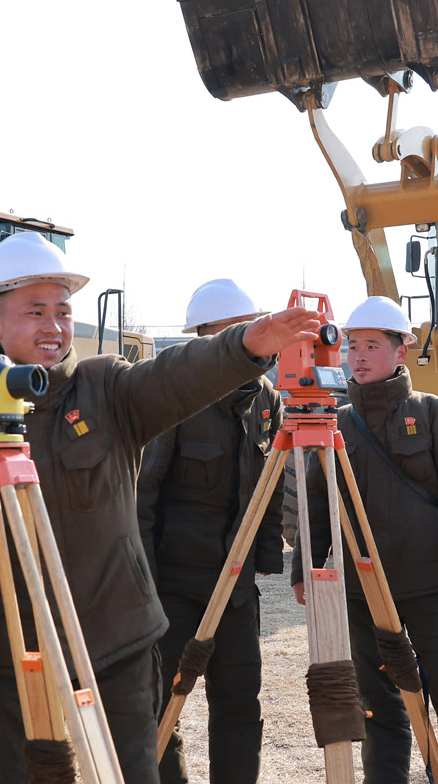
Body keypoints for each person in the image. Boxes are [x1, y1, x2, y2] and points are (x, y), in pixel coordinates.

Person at [0, 233, 319, 783]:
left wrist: (245, 345)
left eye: (62, 311)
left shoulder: (105, 389)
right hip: (14, 646)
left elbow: (179, 374)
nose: (54, 326)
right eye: (35, 311)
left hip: (118, 641)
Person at [292, 295, 438, 784]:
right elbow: (320, 505)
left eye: (371, 345)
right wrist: (305, 566)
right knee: (378, 706)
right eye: (352, 345)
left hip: (432, 587)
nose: (358, 356)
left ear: (400, 352)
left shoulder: (434, 414)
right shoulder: (337, 424)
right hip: (360, 593)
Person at [136, 279, 284, 784]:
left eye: (244, 332)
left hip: (237, 589)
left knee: (241, 705)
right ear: (201, 339)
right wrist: (143, 584)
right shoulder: (173, 397)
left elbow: (270, 484)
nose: (238, 346)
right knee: (159, 707)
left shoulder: (267, 399)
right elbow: (143, 495)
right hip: (173, 586)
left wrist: (267, 559)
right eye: (224, 335)